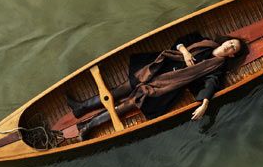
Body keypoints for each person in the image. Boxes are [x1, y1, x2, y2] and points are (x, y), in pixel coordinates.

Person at [67, 32, 247, 140]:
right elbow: (180, 41)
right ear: (225, 40)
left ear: (231, 55)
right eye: (231, 42)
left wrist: (205, 103)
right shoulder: (205, 41)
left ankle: (87, 127)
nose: (230, 46)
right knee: (121, 89)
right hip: (160, 67)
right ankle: (81, 107)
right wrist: (184, 52)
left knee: (126, 106)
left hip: (167, 86)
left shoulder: (217, 68)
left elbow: (211, 85)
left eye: (233, 49)